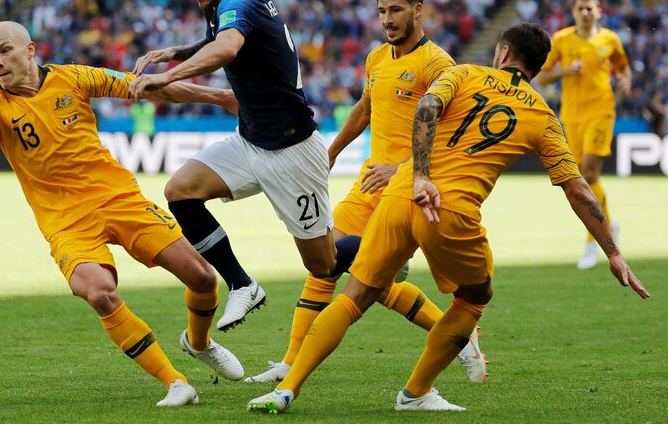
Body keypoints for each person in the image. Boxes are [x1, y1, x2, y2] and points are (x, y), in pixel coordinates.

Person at [248, 23, 650, 414]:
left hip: (400, 191)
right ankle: (415, 392)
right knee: (475, 297)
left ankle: (287, 390)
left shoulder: (464, 73)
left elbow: (426, 107)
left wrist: (419, 174)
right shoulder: (544, 117)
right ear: (540, 67)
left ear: (503, 52)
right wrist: (612, 252)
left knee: (354, 295)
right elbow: (578, 189)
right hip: (449, 210)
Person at [0, 21, 244, 407]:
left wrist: (218, 96)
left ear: (30, 49)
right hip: (66, 222)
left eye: (5, 50)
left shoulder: (73, 77)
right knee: (100, 293)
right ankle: (175, 382)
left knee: (203, 277)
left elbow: (144, 86)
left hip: (118, 198)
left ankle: (199, 342)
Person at [245, 0, 486, 385]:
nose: (387, 19)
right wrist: (332, 152)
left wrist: (400, 169)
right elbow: (364, 108)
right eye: (381, 11)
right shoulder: (377, 58)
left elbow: (451, 133)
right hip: (368, 185)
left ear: (418, 9)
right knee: (324, 261)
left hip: (408, 189)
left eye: (395, 10)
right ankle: (290, 362)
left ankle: (460, 336)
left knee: (367, 282)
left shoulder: (437, 64)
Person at [130, 0, 360, 332]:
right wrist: (175, 52)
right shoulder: (227, 4)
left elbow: (226, 48)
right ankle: (242, 284)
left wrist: (167, 76)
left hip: (293, 152)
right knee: (180, 191)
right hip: (250, 140)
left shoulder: (241, 2)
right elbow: (217, 38)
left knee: (323, 265)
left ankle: (383, 249)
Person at [534, 0, 631, 270]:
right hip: (572, 116)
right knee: (580, 178)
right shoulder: (562, 40)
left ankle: (594, 240)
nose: (586, 13)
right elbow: (542, 75)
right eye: (581, 8)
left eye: (590, 8)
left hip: (601, 112)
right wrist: (564, 72)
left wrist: (625, 80)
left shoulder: (610, 39)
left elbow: (623, 68)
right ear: (573, 12)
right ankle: (610, 226)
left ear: (599, 11)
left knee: (589, 174)